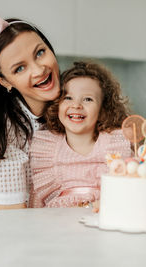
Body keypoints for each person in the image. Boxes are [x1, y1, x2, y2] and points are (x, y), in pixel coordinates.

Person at [0, 14, 60, 210]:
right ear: (5, 81)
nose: (38, 69)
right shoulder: (3, 131)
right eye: (20, 68)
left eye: (40, 52)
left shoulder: (77, 100)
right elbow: (13, 215)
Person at [29, 61, 133, 209]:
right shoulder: (48, 150)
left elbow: (131, 192)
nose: (76, 105)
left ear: (103, 110)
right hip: (57, 225)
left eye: (88, 99)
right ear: (57, 105)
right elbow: (36, 201)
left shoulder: (114, 146)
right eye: (68, 98)